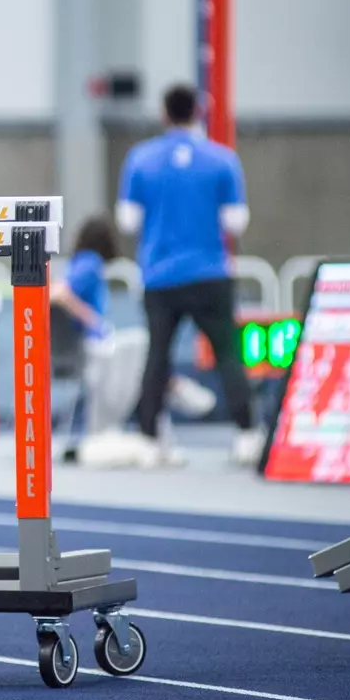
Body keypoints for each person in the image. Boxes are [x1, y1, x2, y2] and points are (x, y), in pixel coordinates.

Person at [116, 83, 262, 469]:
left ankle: (149, 440)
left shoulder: (141, 159)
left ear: (164, 113)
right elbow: (236, 220)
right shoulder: (222, 160)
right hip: (210, 272)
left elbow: (127, 220)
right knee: (228, 353)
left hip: (160, 275)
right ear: (197, 112)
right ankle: (247, 435)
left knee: (158, 357)